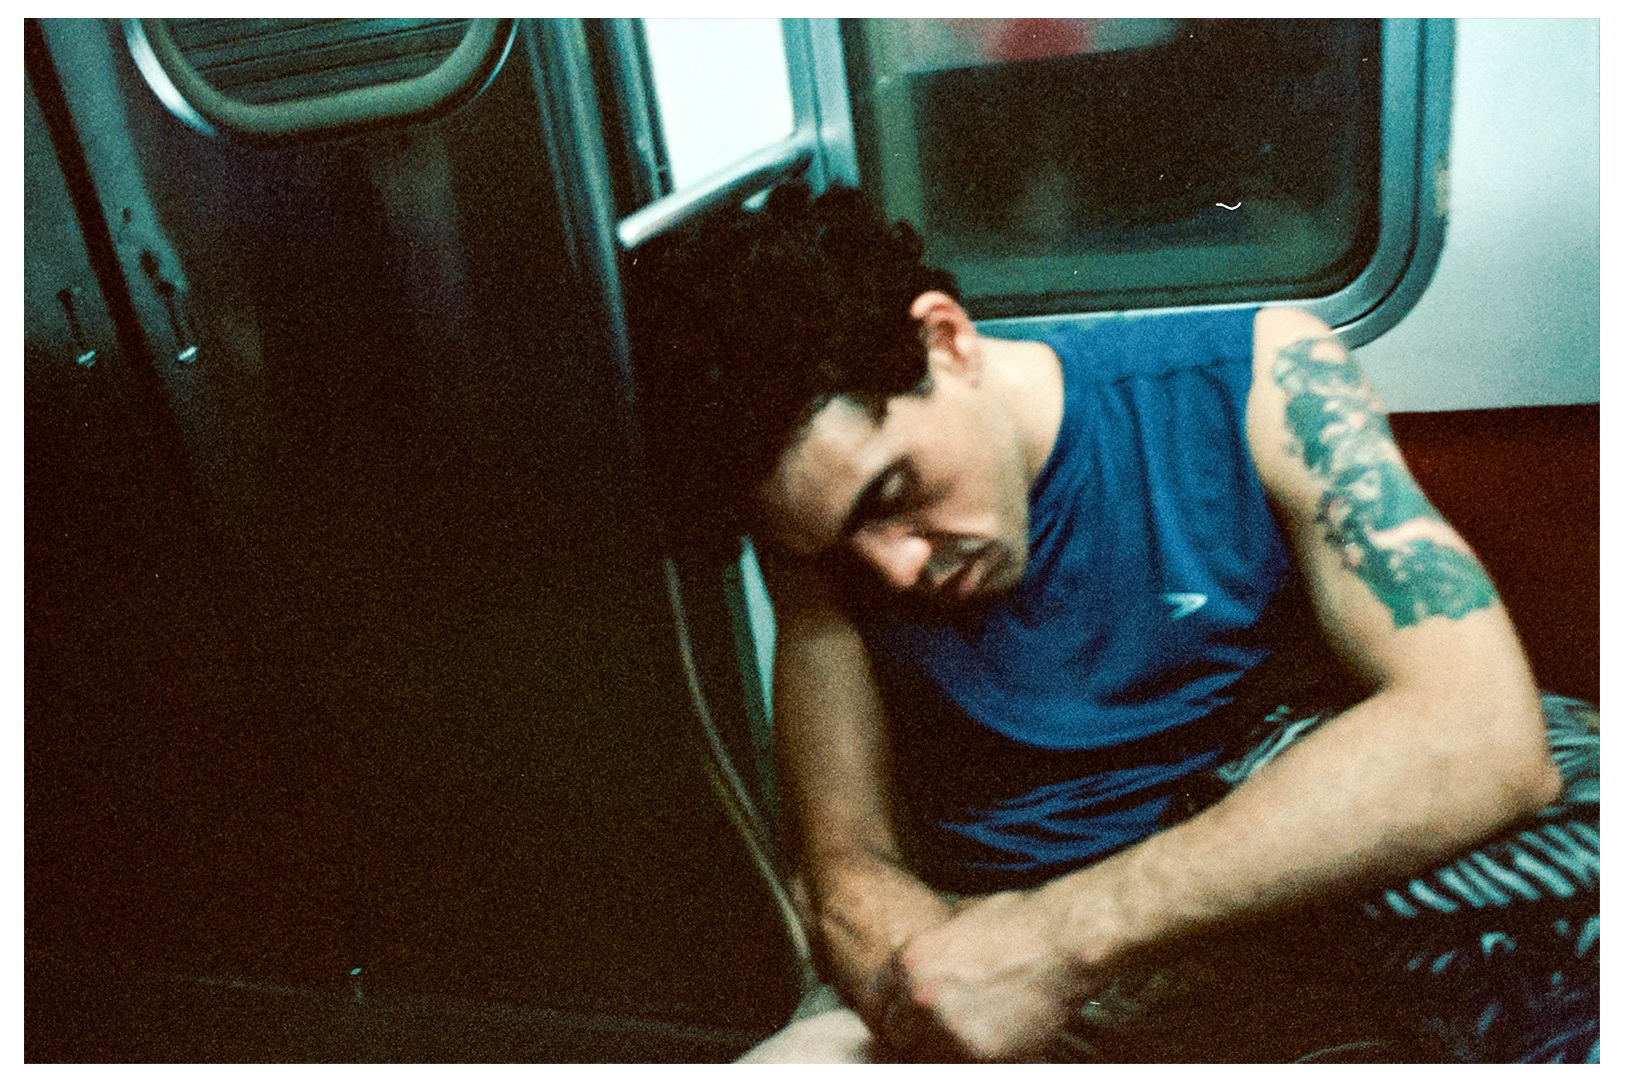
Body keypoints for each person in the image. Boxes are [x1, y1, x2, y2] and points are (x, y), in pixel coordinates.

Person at [628, 185, 1598, 1063]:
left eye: (896, 493)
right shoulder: (822, 539)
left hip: (1271, 883)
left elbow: (1483, 734)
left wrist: (1056, 944)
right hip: (980, 932)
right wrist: (953, 997)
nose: (897, 569)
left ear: (947, 342)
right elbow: (846, 863)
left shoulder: (1264, 377)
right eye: (843, 544)